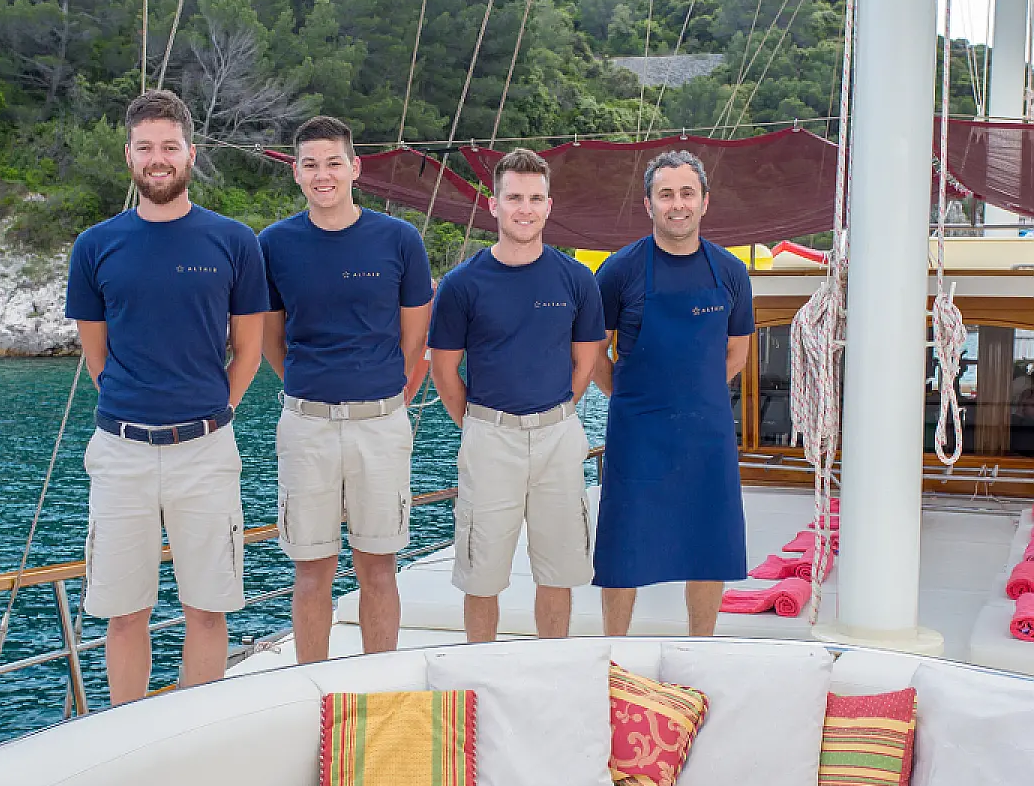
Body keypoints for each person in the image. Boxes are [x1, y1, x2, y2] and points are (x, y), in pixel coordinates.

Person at [65, 89, 268, 705]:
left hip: (205, 451)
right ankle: (127, 736)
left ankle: (193, 734)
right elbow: (97, 357)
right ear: (129, 155)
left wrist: (216, 411)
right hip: (121, 453)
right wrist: (136, 408)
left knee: (207, 608)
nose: (159, 158)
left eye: (170, 147)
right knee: (125, 613)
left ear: (190, 154)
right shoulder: (95, 246)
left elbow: (249, 351)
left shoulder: (234, 241)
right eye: (146, 147)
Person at [259, 115, 433, 663]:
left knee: (378, 568)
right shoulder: (274, 245)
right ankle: (311, 685)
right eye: (310, 164)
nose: (323, 174)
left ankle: (377, 684)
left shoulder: (399, 240)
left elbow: (415, 338)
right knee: (311, 571)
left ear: (355, 168)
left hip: (380, 425)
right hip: (305, 425)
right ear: (296, 172)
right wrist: (310, 389)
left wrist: (383, 395)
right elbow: (270, 338)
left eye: (334, 162)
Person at [428, 148, 606, 642]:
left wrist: (557, 411)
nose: (524, 209)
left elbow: (586, 360)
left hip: (557, 437)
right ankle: (482, 670)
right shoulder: (462, 284)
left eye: (534, 198)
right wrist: (478, 424)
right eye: (513, 198)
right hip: (490, 438)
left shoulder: (576, 279)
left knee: (559, 571)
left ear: (549, 205)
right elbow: (444, 369)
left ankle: (551, 666)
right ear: (494, 204)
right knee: (481, 574)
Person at [591, 149, 754, 638]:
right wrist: (630, 398)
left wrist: (695, 395)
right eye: (666, 195)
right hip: (637, 435)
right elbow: (593, 353)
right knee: (623, 548)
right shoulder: (618, 272)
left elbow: (737, 353)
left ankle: (700, 649)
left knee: (709, 547)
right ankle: (614, 653)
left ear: (705, 201)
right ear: (649, 205)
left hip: (707, 435)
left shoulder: (730, 272)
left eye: (687, 193)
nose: (677, 204)